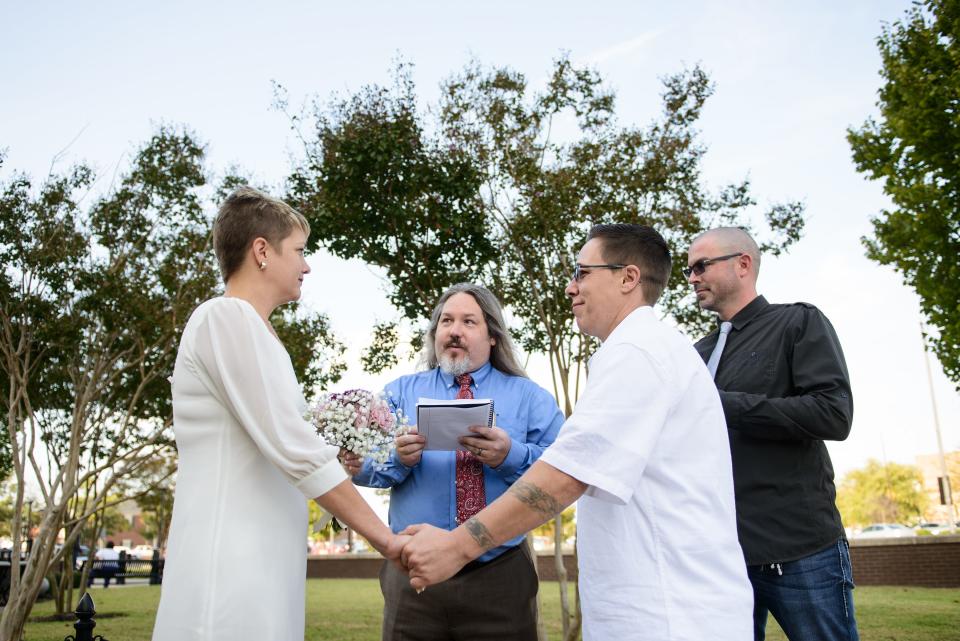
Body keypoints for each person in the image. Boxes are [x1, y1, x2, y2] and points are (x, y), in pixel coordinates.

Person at [396, 225, 753, 641]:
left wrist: (457, 547)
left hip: (670, 614)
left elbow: (566, 475)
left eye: (583, 273)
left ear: (628, 278)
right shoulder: (637, 350)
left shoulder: (637, 353)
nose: (571, 287)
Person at [152, 187, 399, 641]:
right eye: (300, 251)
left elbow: (279, 444)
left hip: (265, 555)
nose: (306, 266)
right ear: (262, 251)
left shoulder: (257, 331)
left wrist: (330, 455)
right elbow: (294, 448)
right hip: (229, 561)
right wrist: (386, 539)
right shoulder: (224, 318)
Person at [341, 282, 565, 641]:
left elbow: (562, 469)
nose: (454, 331)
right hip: (414, 574)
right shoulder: (400, 392)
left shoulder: (530, 397)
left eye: (468, 322)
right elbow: (366, 467)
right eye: (446, 321)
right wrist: (398, 458)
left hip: (500, 575)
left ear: (493, 336)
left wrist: (511, 455)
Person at [685, 227, 858, 641]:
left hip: (799, 549)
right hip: (719, 557)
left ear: (743, 264)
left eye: (701, 266)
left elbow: (834, 414)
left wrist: (723, 404)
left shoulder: (797, 322)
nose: (692, 278)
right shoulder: (696, 354)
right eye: (689, 269)